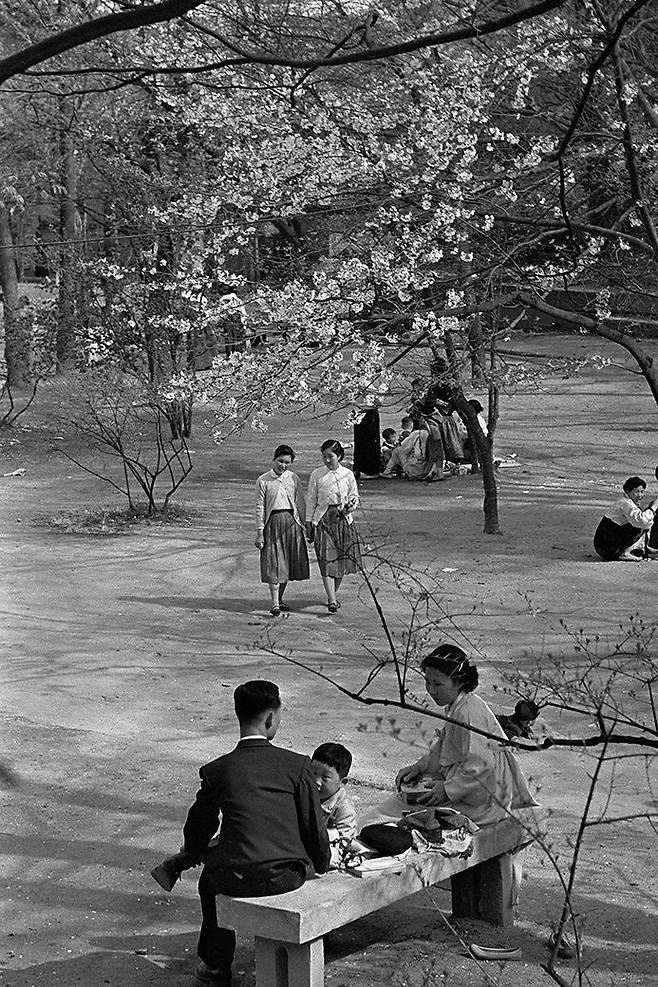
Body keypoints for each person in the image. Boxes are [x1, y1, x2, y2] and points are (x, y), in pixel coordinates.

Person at [176, 681, 330, 987]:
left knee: (209, 880)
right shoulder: (297, 765)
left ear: (238, 716)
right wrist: (322, 864)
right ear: (271, 718)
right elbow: (313, 828)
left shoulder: (218, 770)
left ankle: (216, 966)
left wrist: (192, 851)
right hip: (287, 876)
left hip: (234, 877)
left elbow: (198, 826)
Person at [395, 645, 534, 826]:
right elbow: (445, 746)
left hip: (489, 793)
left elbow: (480, 764)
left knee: (418, 813)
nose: (432, 690)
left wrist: (448, 790)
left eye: (438, 684)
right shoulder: (457, 706)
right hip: (472, 778)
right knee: (414, 802)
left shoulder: (468, 712)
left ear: (459, 682)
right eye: (428, 682)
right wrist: (420, 766)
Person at [306, 439, 362, 613]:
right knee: (326, 559)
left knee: (341, 560)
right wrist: (309, 522)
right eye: (324, 456)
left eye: (330, 456)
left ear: (339, 456)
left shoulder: (348, 474)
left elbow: (354, 496)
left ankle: (333, 595)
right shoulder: (317, 474)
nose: (327, 460)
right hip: (322, 520)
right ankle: (331, 599)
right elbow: (311, 500)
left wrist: (350, 506)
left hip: (343, 519)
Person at [255, 444, 309, 616]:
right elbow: (260, 507)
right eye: (280, 461)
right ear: (274, 459)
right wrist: (260, 531)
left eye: (287, 462)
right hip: (272, 523)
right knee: (274, 562)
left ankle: (280, 598)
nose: (283, 465)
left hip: (291, 523)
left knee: (286, 563)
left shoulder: (293, 478)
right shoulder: (263, 480)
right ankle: (274, 603)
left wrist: (305, 524)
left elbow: (300, 501)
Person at [310, 742, 358, 866]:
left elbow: (344, 842)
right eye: (313, 772)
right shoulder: (304, 793)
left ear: (343, 782)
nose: (316, 781)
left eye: (325, 777)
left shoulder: (344, 810)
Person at [593, 476, 658, 562]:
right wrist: (654, 507)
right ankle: (624, 553)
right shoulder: (625, 503)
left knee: (645, 518)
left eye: (642, 492)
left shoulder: (627, 501)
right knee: (641, 522)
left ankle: (644, 548)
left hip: (605, 545)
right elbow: (642, 521)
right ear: (628, 491)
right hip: (607, 547)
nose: (640, 495)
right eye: (636, 492)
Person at [353, 404, 381, 479]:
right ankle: (359, 467)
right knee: (359, 441)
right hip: (358, 409)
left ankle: (371, 471)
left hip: (370, 411)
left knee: (371, 441)